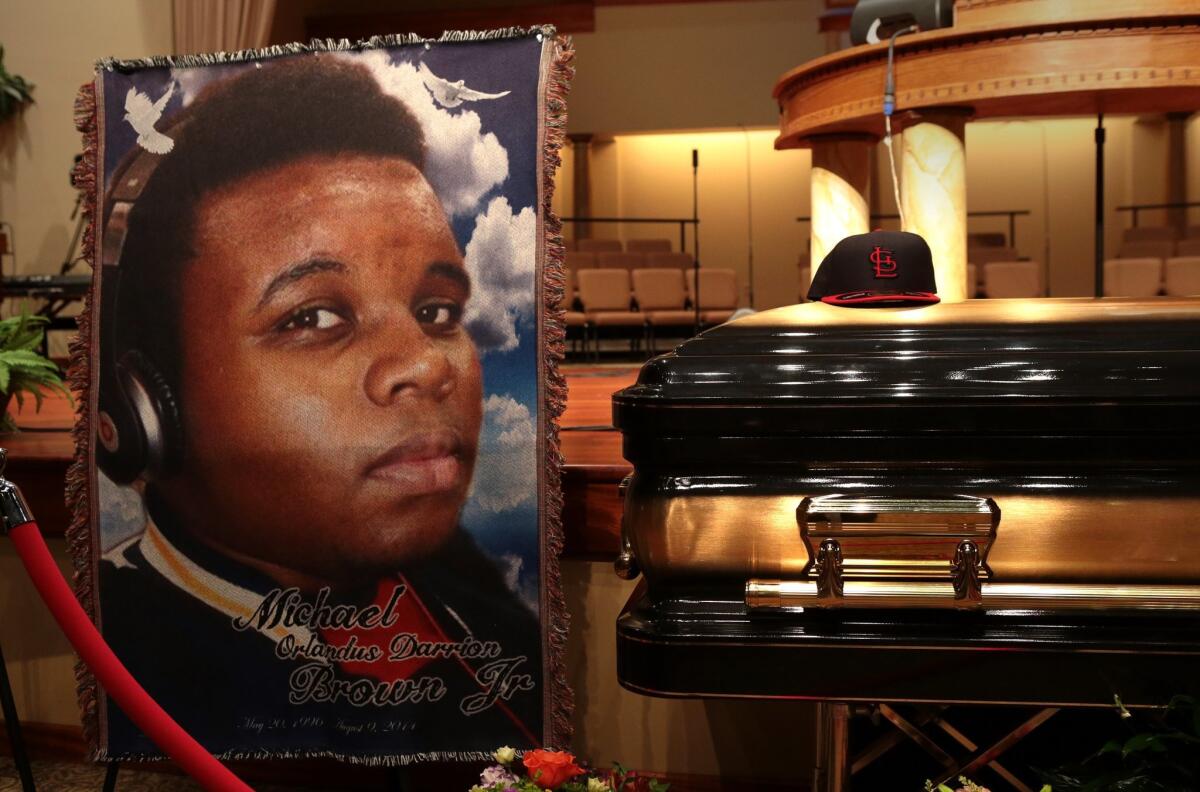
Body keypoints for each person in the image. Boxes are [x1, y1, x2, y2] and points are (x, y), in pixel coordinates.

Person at [95, 56, 543, 758]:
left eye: (435, 309)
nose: (426, 364)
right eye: (311, 319)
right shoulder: (124, 652)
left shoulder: (491, 621)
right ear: (148, 404)